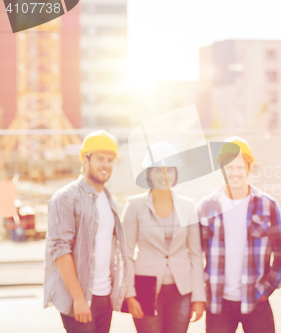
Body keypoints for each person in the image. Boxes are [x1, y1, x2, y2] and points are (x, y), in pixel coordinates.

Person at [198, 136, 281, 333]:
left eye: (240, 166)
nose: (235, 172)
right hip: (218, 304)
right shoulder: (206, 206)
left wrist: (267, 289)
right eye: (229, 167)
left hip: (257, 301)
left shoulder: (267, 205)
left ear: (249, 167)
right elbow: (196, 254)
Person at [44, 130, 127, 333]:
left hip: (104, 295)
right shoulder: (65, 198)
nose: (106, 165)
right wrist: (79, 299)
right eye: (100, 159)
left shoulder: (108, 199)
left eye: (110, 160)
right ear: (85, 159)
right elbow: (60, 249)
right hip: (80, 298)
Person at [121, 142, 205, 333]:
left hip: (181, 290)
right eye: (158, 170)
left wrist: (199, 297)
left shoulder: (187, 206)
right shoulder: (134, 206)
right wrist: (129, 294)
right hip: (145, 288)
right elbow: (125, 252)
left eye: (169, 169)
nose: (164, 175)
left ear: (176, 173)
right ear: (148, 174)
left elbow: (195, 254)